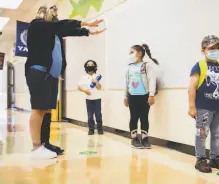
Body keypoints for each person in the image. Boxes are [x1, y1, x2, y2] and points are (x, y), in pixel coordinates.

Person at [25, 5, 106, 159]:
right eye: (54, 16)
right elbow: (59, 26)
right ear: (46, 16)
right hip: (38, 72)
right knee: (38, 109)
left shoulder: (54, 34)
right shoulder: (37, 25)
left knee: (47, 109)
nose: (56, 19)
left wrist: (86, 32)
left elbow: (64, 30)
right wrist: (83, 24)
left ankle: (45, 143)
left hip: (51, 75)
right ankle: (36, 147)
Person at [188, 35, 219, 173]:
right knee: (202, 133)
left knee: (217, 134)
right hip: (203, 107)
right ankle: (200, 159)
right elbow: (192, 87)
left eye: (217, 48)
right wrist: (192, 107)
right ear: (203, 50)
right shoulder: (199, 66)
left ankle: (215, 158)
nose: (215, 50)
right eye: (211, 48)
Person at [124, 44, 159, 149]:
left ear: (139, 53)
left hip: (144, 96)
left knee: (144, 117)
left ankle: (144, 139)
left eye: (131, 52)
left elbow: (152, 80)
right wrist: (125, 96)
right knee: (133, 117)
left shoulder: (146, 66)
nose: (129, 55)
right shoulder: (129, 67)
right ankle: (134, 139)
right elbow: (127, 83)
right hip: (132, 96)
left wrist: (151, 95)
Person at [78, 60, 103, 135]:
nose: (90, 66)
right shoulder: (83, 77)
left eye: (92, 64)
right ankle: (91, 130)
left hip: (97, 98)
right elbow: (78, 87)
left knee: (98, 115)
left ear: (95, 66)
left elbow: (99, 88)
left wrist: (96, 82)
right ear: (86, 67)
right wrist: (84, 90)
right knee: (90, 115)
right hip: (88, 99)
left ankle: (100, 129)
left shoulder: (98, 76)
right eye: (88, 65)